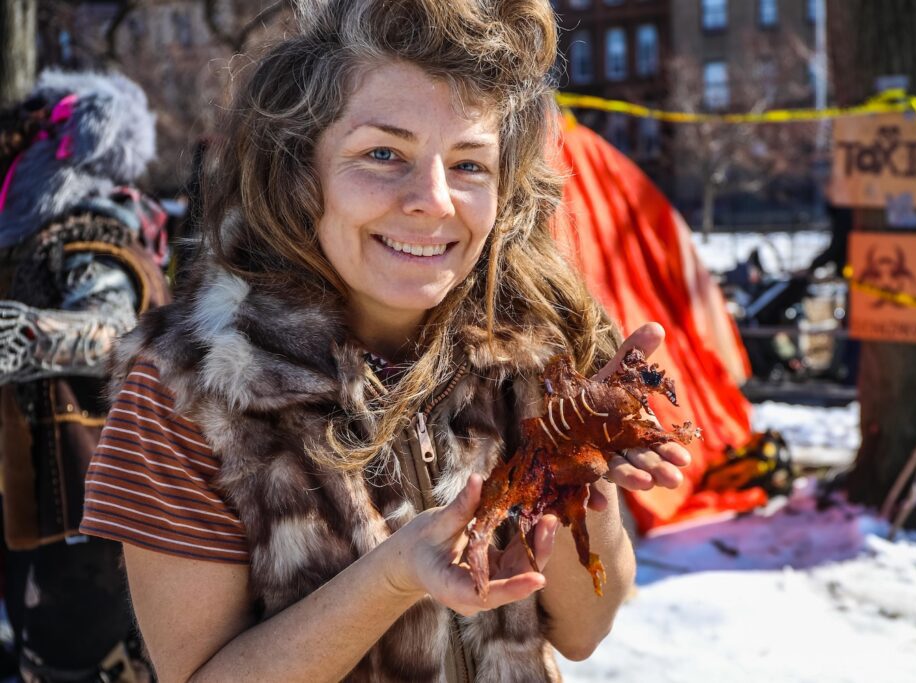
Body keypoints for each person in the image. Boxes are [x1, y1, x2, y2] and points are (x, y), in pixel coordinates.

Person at [80, 1, 691, 680]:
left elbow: (582, 632)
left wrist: (579, 472)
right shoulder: (189, 392)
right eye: (383, 153)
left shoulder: (529, 353)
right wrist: (395, 576)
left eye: (469, 165)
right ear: (300, 172)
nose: (432, 199)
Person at [0, 71, 170, 681]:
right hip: (62, 501)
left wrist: (15, 334)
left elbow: (112, 332)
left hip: (89, 503)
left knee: (74, 664)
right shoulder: (46, 239)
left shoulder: (88, 235)